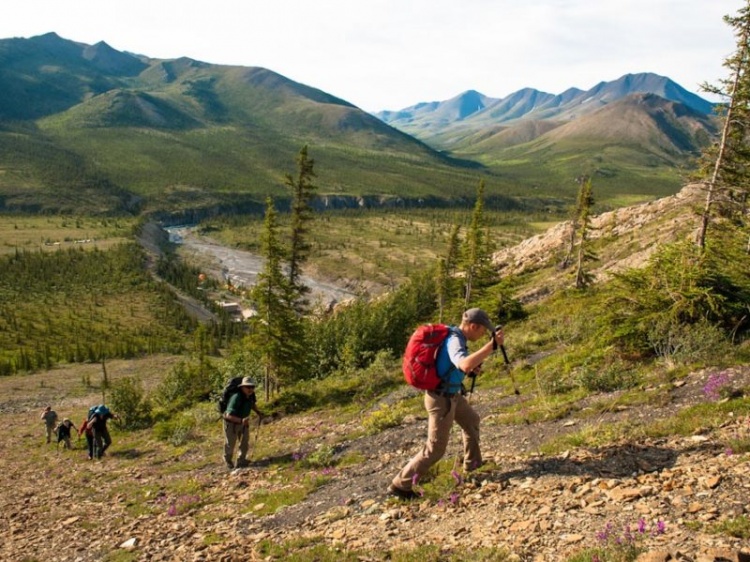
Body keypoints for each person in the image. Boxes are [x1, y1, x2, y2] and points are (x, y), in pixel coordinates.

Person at [389, 308, 504, 500]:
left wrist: (469, 371)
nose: (483, 334)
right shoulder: (454, 340)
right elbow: (464, 363)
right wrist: (491, 346)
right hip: (441, 400)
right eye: (482, 330)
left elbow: (458, 367)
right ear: (473, 326)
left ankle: (473, 466)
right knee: (435, 448)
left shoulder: (456, 337)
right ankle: (400, 485)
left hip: (452, 396)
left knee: (472, 420)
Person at [222, 377, 264, 470]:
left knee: (245, 441)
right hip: (231, 423)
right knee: (230, 443)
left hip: (243, 421)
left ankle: (241, 461)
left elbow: (252, 404)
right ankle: (228, 461)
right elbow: (227, 415)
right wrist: (241, 421)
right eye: (247, 387)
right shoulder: (236, 397)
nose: (250, 389)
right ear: (242, 387)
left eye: (252, 387)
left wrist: (258, 412)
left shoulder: (251, 395)